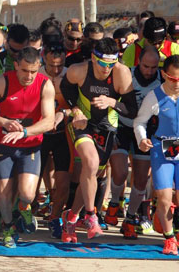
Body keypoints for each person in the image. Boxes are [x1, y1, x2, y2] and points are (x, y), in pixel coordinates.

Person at [59, 38, 138, 243]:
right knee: (91, 163)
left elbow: (132, 110)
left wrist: (113, 101)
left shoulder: (121, 73)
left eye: (111, 64)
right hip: (82, 123)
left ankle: (71, 217)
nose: (106, 69)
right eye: (103, 64)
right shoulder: (79, 70)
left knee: (92, 172)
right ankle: (91, 215)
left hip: (106, 127)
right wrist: (75, 110)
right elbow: (65, 88)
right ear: (94, 58)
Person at [0, 47, 56, 248]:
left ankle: (24, 207)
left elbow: (49, 121)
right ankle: (8, 228)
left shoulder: (45, 85)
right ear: (16, 66)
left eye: (33, 71)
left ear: (39, 67)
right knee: (4, 191)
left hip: (30, 145)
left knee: (27, 194)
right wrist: (4, 122)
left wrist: (24, 132)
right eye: (24, 71)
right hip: (3, 144)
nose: (29, 76)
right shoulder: (2, 82)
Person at [104, 46, 161, 238]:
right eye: (146, 66)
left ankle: (129, 219)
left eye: (154, 67)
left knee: (141, 178)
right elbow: (111, 100)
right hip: (123, 126)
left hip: (146, 131)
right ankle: (113, 203)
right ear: (138, 62)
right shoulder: (127, 74)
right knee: (119, 173)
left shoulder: (162, 79)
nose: (149, 71)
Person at [134, 54, 179, 255]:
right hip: (161, 149)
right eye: (173, 79)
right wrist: (142, 139)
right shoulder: (154, 96)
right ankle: (169, 239)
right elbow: (140, 122)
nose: (177, 84)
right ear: (164, 75)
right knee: (164, 198)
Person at [38, 43, 71, 238]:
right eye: (52, 65)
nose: (56, 70)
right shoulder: (36, 74)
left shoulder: (70, 75)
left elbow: (78, 105)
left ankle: (55, 216)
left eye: (60, 65)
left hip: (62, 134)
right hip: (40, 134)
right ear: (44, 60)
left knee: (63, 182)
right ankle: (26, 211)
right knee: (31, 183)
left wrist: (63, 114)